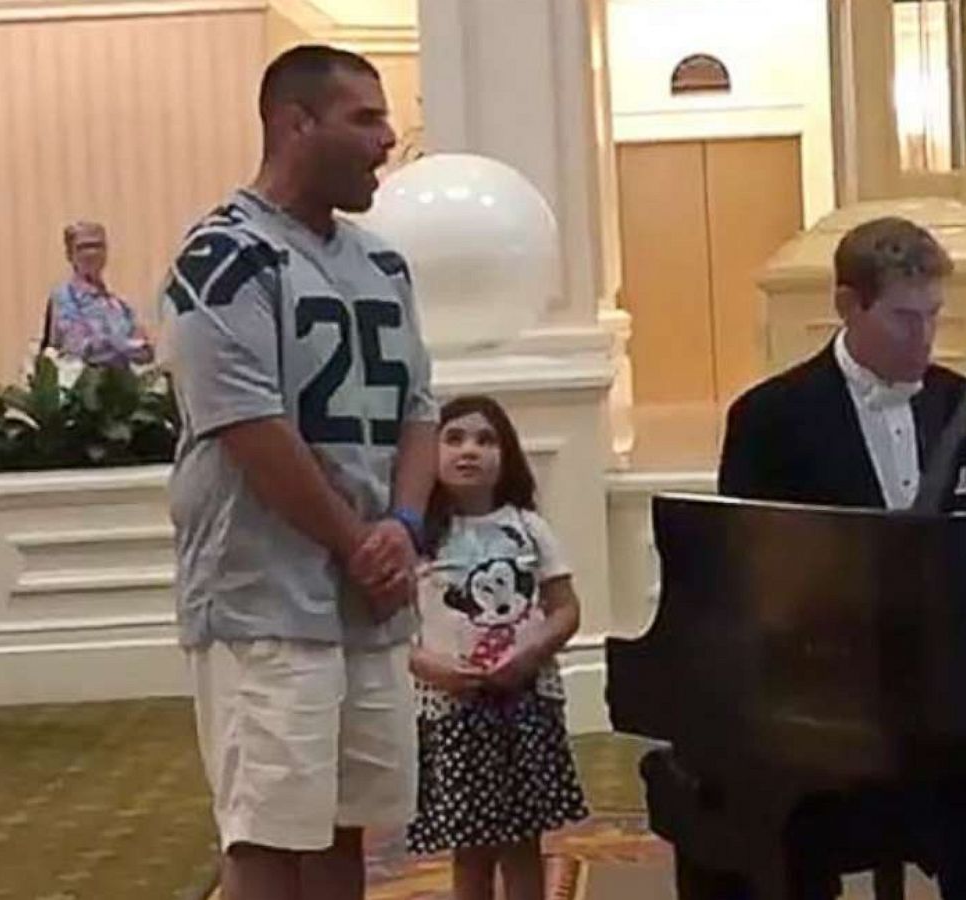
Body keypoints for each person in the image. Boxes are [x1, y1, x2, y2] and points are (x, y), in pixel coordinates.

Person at [159, 45, 436, 900]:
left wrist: (405, 527)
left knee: (346, 823)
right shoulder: (222, 260)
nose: (389, 139)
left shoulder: (382, 265)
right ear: (295, 124)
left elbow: (419, 409)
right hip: (264, 598)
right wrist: (360, 542)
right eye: (366, 118)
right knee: (269, 832)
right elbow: (250, 427)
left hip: (368, 597)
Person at [716, 216, 966, 899]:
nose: (923, 338)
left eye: (932, 318)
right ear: (848, 306)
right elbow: (746, 570)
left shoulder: (954, 401)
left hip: (938, 681)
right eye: (903, 319)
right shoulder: (771, 418)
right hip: (819, 686)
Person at [405, 395, 590, 900]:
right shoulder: (419, 538)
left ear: (506, 455)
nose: (470, 451)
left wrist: (531, 653)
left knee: (523, 843)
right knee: (470, 849)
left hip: (523, 706)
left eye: (486, 440)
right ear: (431, 454)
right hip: (453, 712)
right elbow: (395, 635)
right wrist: (430, 667)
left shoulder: (529, 526)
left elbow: (566, 610)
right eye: (455, 438)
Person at [43, 221, 152, 367]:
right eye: (83, 247)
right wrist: (126, 346)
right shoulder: (64, 297)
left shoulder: (120, 306)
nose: (92, 253)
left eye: (97, 246)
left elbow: (145, 351)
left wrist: (123, 347)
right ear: (70, 254)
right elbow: (81, 348)